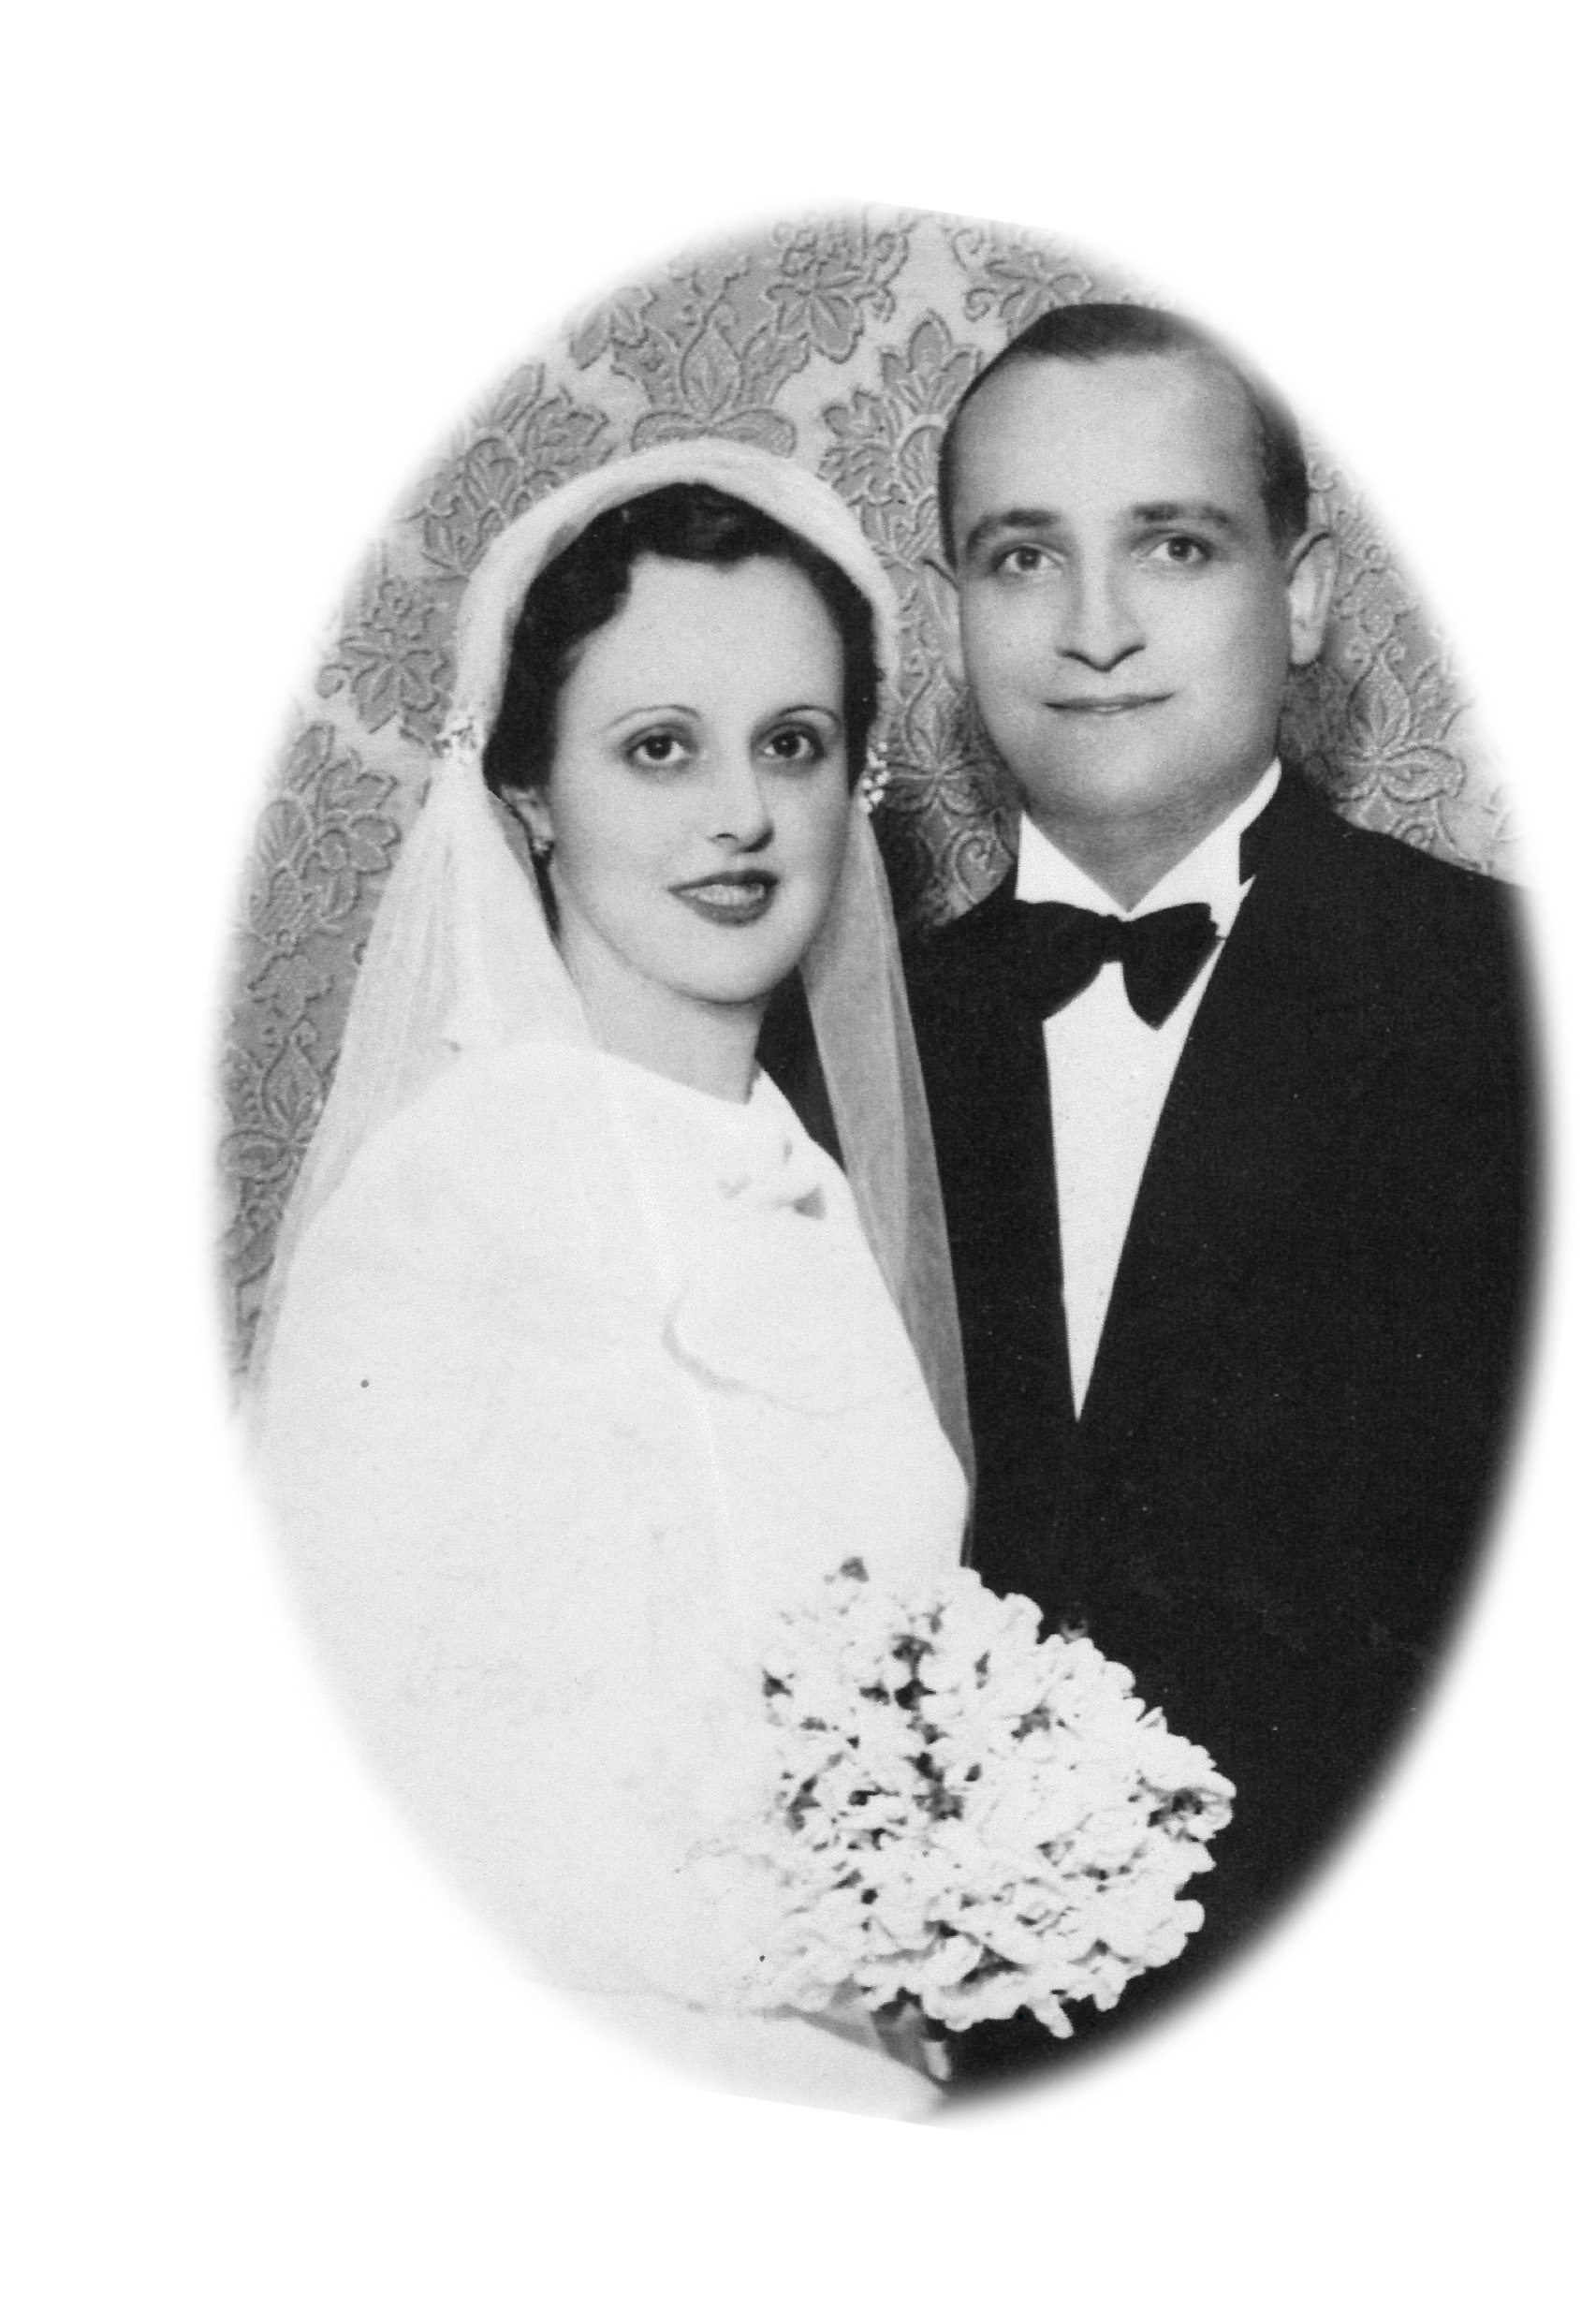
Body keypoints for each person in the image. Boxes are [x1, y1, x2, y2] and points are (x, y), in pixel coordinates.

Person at [247, 442, 972, 2120]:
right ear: (526, 798)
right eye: (659, 749)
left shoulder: (806, 1186)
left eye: (792, 745)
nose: (741, 815)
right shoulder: (464, 1187)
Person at [903, 303, 1534, 2089]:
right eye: (1023, 556)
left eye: (1171, 546)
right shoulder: (840, 1051)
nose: (1092, 628)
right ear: (953, 604)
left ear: (1307, 595)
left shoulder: (1523, 1011)